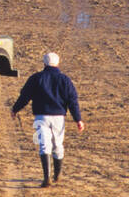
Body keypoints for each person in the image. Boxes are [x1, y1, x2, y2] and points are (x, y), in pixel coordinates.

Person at [10, 51, 84, 188]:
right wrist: (78, 119)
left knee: (44, 145)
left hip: (41, 116)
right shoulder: (65, 80)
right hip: (59, 118)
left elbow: (24, 96)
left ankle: (46, 178)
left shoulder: (36, 78)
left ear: (44, 63)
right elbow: (72, 101)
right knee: (58, 145)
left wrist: (15, 109)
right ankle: (57, 175)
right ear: (58, 63)